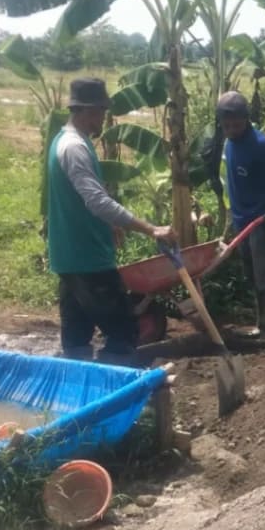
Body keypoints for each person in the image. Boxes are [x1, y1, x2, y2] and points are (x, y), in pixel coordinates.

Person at [47, 78, 174, 365]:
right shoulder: (74, 148)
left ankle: (82, 398)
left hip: (69, 258)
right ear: (87, 111)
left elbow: (86, 194)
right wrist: (152, 229)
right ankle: (116, 398)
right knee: (123, 334)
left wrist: (110, 223)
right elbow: (97, 201)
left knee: (77, 337)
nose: (103, 118)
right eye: (101, 112)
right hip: (89, 260)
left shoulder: (66, 141)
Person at [217, 91, 265, 338]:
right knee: (252, 276)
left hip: (260, 222)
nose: (231, 129)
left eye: (236, 125)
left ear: (246, 120)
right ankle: (262, 324)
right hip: (240, 221)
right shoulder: (228, 142)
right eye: (226, 125)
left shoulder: (261, 145)